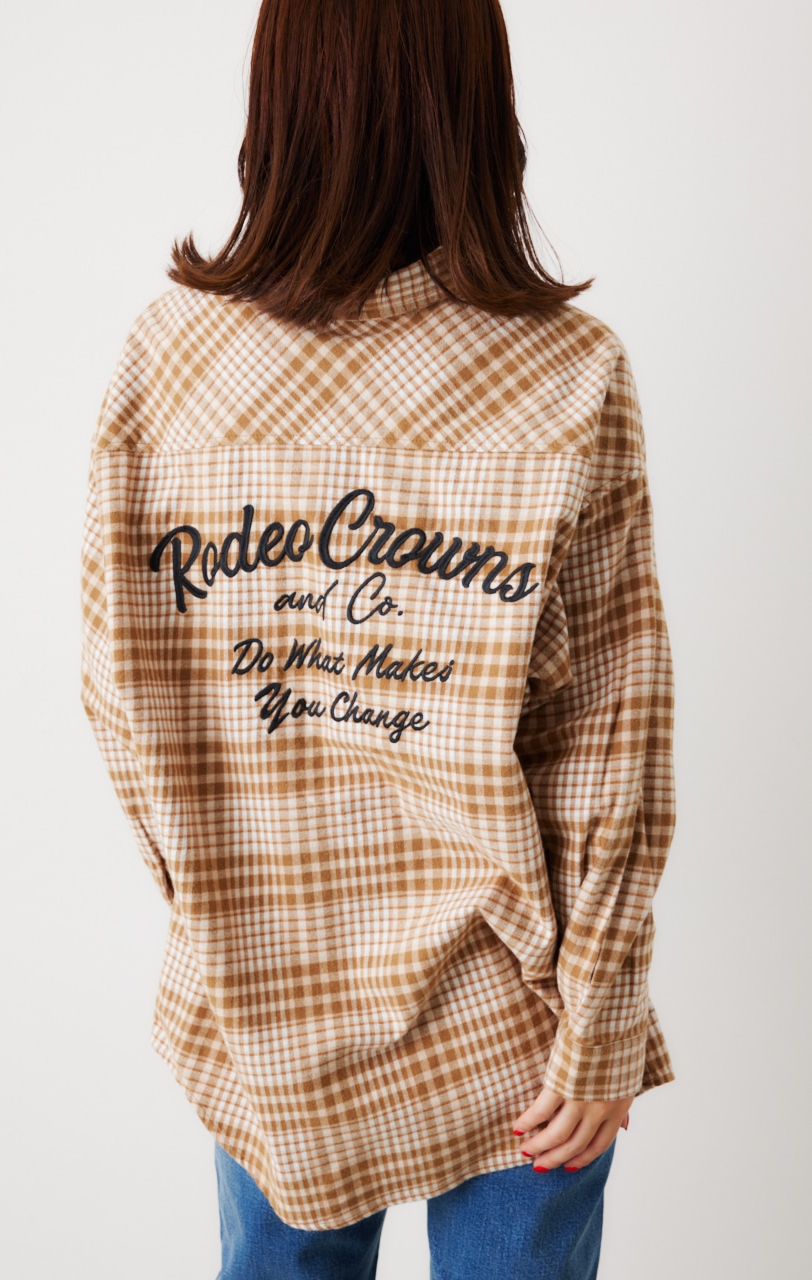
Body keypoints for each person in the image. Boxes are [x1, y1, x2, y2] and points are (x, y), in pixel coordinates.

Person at [78, 0, 677, 1275]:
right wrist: (602, 1013)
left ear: (282, 100)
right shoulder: (564, 372)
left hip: (265, 999)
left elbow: (118, 697)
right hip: (517, 1020)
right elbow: (608, 740)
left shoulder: (166, 361)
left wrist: (219, 913)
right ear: (475, 106)